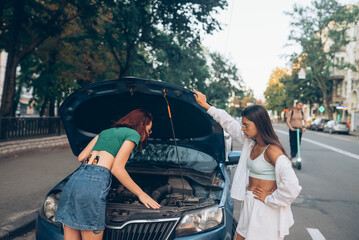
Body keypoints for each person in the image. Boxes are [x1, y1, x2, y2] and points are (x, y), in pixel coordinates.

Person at [193, 90, 302, 240]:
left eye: (246, 125)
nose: (242, 129)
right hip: (250, 203)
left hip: (265, 208)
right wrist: (206, 106)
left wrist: (271, 199)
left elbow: (292, 186)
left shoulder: (272, 151)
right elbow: (230, 124)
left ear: (259, 125)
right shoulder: (251, 143)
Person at [55, 109, 161, 240]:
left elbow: (81, 157)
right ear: (141, 125)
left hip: (75, 181)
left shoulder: (104, 132)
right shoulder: (133, 134)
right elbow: (117, 169)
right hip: (93, 183)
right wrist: (141, 194)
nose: (148, 134)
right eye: (149, 130)